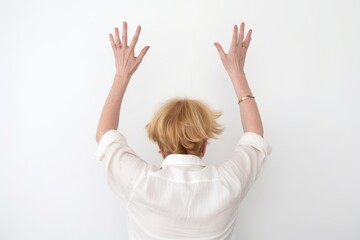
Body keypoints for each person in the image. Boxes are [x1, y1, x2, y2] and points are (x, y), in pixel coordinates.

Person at [95, 21, 271, 240]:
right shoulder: (228, 183)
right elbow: (254, 136)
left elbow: (104, 134)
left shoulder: (139, 183)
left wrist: (121, 76)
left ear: (160, 145)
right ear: (205, 145)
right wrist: (238, 73)